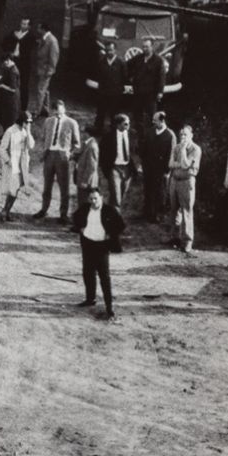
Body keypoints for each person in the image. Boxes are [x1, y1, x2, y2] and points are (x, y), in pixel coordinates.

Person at [74, 185, 122, 319]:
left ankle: (109, 308)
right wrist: (81, 228)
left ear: (101, 197)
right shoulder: (85, 208)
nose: (93, 202)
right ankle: (90, 299)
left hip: (102, 247)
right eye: (91, 199)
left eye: (95, 198)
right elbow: (75, 217)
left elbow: (121, 225)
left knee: (104, 277)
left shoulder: (109, 210)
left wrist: (110, 235)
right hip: (88, 244)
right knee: (87, 273)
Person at [37, 100, 79, 221]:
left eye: (59, 110)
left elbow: (77, 144)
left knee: (64, 186)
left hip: (62, 157)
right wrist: (44, 150)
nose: (57, 113)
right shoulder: (48, 121)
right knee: (47, 185)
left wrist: (69, 154)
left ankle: (63, 214)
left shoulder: (72, 123)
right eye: (55, 110)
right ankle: (44, 209)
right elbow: (43, 137)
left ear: (64, 109)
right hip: (49, 154)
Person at [169, 123, 202, 253]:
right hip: (174, 181)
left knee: (187, 211)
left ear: (191, 135)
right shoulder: (176, 147)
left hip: (187, 182)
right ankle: (175, 237)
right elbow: (170, 163)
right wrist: (180, 164)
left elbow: (186, 165)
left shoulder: (195, 149)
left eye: (185, 134)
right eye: (181, 134)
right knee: (174, 210)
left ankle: (187, 241)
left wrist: (183, 152)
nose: (183, 136)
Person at [0, 108, 35, 220]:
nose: (27, 124)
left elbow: (31, 145)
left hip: (22, 165)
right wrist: (8, 161)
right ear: (21, 121)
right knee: (12, 190)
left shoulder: (25, 132)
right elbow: (2, 149)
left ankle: (6, 211)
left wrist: (28, 132)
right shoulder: (10, 131)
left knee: (17, 189)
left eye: (29, 123)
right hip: (12, 165)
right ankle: (5, 211)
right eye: (26, 122)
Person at [143, 108, 177, 222]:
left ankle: (157, 214)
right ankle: (147, 212)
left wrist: (167, 171)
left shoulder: (170, 135)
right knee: (148, 189)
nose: (153, 122)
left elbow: (172, 154)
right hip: (148, 167)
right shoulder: (150, 131)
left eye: (155, 120)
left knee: (159, 192)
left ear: (162, 121)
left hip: (161, 169)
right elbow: (145, 148)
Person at [102, 112, 136, 214]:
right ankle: (117, 224)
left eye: (129, 123)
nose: (128, 125)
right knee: (116, 197)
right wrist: (106, 170)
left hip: (127, 169)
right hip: (114, 169)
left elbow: (136, 151)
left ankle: (108, 216)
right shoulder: (109, 136)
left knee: (121, 195)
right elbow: (103, 153)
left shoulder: (133, 134)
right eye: (125, 124)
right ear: (118, 124)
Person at [91, 42, 126, 138]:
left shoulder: (121, 63)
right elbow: (98, 75)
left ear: (115, 50)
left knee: (114, 113)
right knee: (100, 112)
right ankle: (98, 130)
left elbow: (124, 78)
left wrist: (119, 89)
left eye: (111, 50)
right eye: (107, 50)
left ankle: (114, 132)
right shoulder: (102, 62)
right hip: (103, 92)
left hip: (115, 93)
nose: (108, 52)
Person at [73, 130, 103, 225]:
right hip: (84, 179)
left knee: (84, 203)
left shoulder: (92, 146)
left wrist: (85, 181)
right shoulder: (88, 144)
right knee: (83, 202)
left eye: (83, 133)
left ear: (88, 134)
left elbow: (92, 166)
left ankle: (82, 225)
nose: (81, 135)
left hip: (87, 181)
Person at [32, 21, 60, 120]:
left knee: (40, 90)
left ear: (43, 29)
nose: (38, 30)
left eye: (39, 28)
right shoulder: (45, 39)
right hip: (42, 69)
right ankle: (46, 109)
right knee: (45, 90)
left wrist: (50, 70)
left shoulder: (52, 41)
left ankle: (37, 111)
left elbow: (54, 57)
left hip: (46, 70)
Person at [0, 51, 21, 136]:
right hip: (7, 98)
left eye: (6, 61)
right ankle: (5, 134)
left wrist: (2, 86)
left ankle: (9, 136)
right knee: (4, 116)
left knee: (10, 117)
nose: (5, 63)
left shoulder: (13, 71)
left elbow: (13, 88)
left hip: (11, 98)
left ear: (10, 60)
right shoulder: (10, 69)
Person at [12, 15, 36, 112]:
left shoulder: (31, 36)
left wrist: (18, 38)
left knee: (23, 85)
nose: (23, 25)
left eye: (25, 24)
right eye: (22, 23)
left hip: (24, 64)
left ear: (29, 26)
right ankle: (13, 104)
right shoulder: (15, 33)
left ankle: (23, 108)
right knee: (12, 82)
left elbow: (28, 49)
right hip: (15, 60)